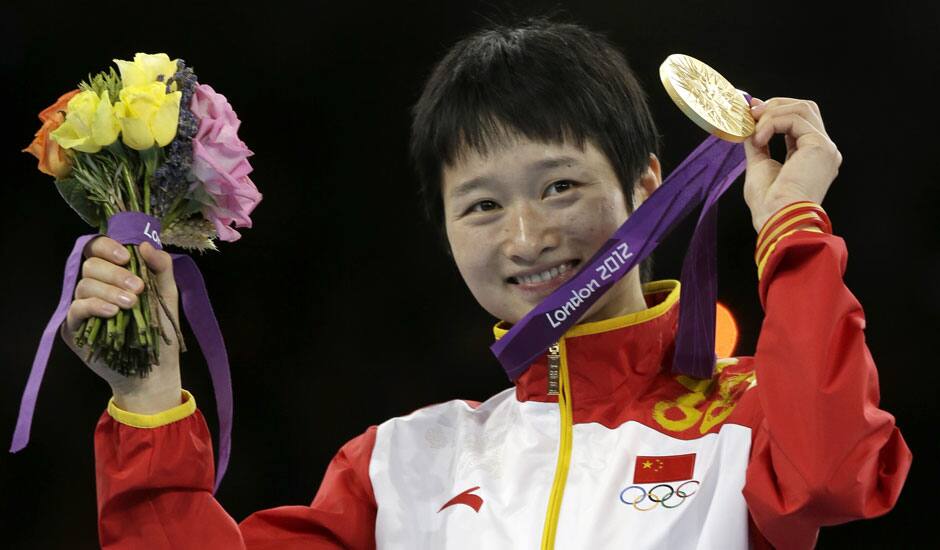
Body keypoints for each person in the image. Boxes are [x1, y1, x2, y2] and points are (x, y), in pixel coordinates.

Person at [63, 16, 911, 550]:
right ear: (443, 231)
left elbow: (838, 475)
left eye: (559, 187)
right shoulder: (398, 465)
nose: (526, 237)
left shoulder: (751, 413)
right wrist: (148, 401)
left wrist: (790, 226)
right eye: (479, 206)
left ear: (647, 183)